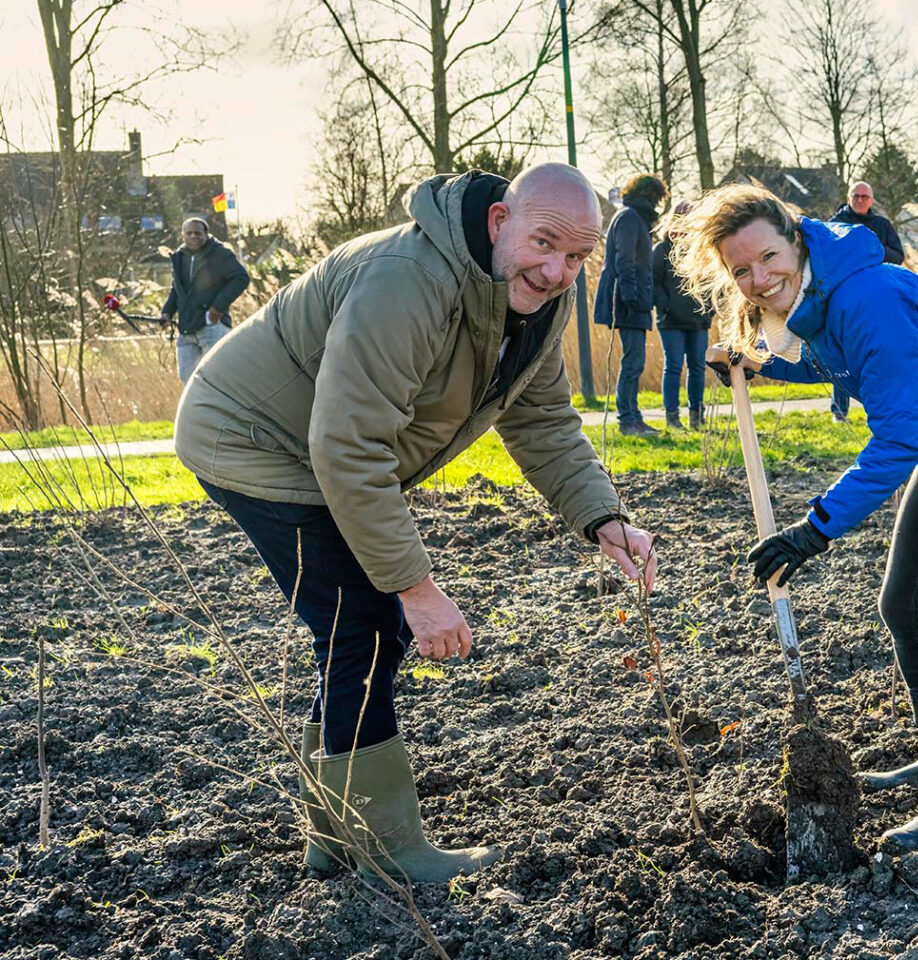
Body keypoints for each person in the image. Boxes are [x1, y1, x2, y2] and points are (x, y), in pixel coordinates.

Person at [173, 164, 659, 884]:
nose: (558, 270)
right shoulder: (406, 279)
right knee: (364, 621)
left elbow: (543, 417)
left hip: (322, 446)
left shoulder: (536, 301)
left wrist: (601, 517)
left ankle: (334, 836)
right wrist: (417, 588)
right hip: (252, 437)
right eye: (544, 242)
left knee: (362, 628)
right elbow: (348, 446)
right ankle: (386, 851)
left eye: (577, 256)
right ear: (499, 222)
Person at [675, 185, 918, 850]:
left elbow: (896, 442)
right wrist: (759, 365)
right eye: (742, 271)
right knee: (900, 601)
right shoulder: (822, 294)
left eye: (768, 258)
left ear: (795, 239)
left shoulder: (867, 296)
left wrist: (812, 529)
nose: (759, 280)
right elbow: (838, 364)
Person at [594, 174, 667, 436]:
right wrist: (632, 298)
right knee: (633, 362)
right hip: (627, 301)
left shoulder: (634, 218)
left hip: (632, 299)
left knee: (634, 361)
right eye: (657, 198)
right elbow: (624, 260)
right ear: (650, 195)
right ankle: (628, 420)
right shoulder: (629, 218)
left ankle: (633, 417)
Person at [828, 181, 906, 422]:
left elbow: (898, 256)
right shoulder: (835, 224)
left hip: (876, 296)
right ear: (848, 198)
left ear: (872, 200)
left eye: (865, 197)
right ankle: (839, 412)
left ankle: (880, 409)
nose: (861, 200)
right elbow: (825, 257)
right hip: (842, 296)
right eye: (856, 196)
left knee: (877, 351)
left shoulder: (881, 225)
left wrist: (872, 248)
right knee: (841, 353)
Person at [162, 216, 250, 382]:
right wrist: (167, 312)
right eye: (189, 233)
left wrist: (218, 307)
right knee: (187, 379)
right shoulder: (179, 257)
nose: (193, 236)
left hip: (212, 326)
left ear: (206, 234)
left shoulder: (220, 254)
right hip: (186, 329)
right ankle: (200, 408)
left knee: (216, 377)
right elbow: (177, 289)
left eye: (198, 233)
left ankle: (222, 407)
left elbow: (241, 278)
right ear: (183, 235)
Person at [652, 201, 712, 429]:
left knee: (698, 366)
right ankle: (672, 417)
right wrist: (664, 305)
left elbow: (710, 281)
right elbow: (654, 282)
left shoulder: (702, 250)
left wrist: (708, 309)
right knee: (674, 366)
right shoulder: (662, 250)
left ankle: (697, 416)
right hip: (670, 321)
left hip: (698, 319)